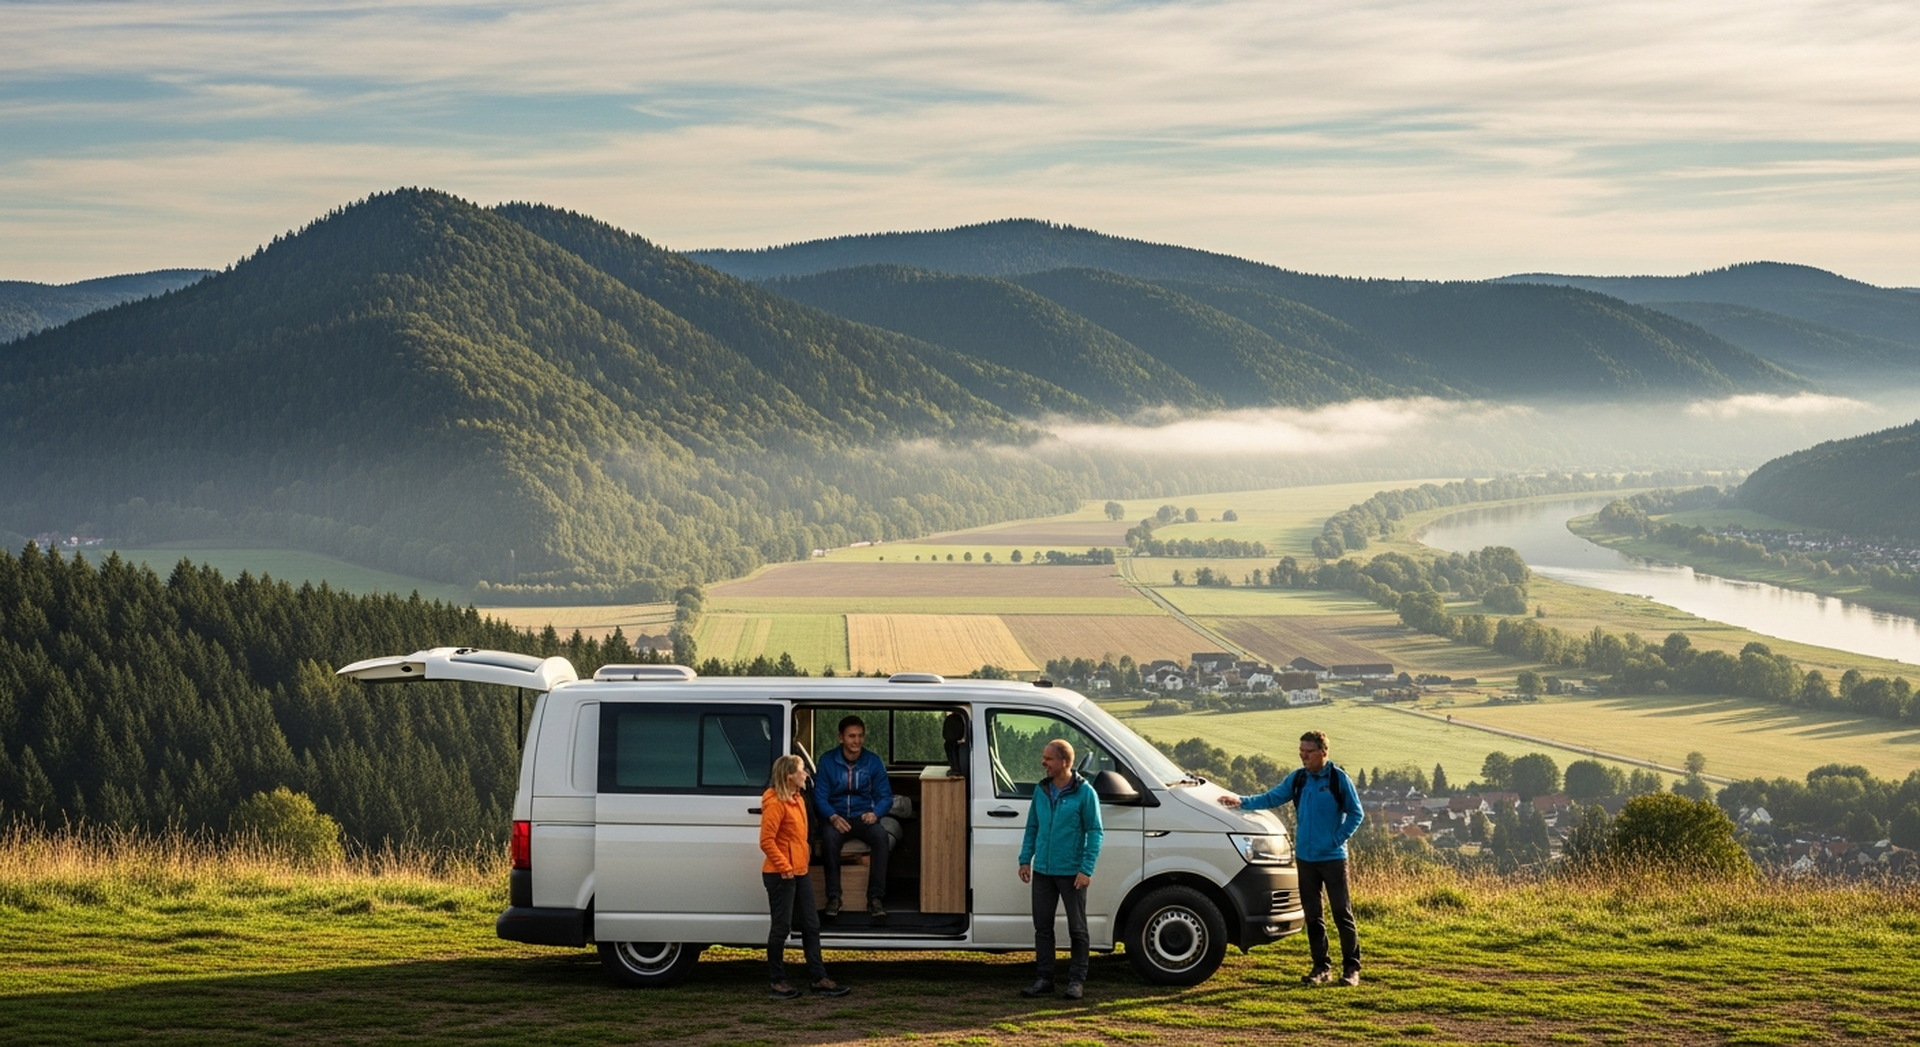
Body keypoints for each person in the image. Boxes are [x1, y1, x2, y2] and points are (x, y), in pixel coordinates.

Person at [1219, 729, 1365, 986]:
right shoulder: (1298, 779)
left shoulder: (1338, 779)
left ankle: (1351, 970)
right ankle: (1321, 968)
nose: (1303, 757)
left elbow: (1356, 813)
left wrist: (1336, 839)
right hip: (1306, 859)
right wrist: (1240, 801)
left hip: (1332, 858)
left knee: (1342, 913)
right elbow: (1271, 798)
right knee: (1313, 915)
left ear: (1323, 752)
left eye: (1308, 752)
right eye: (1301, 752)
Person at [1018, 738, 1104, 1001]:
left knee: (1077, 928)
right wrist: (1025, 859)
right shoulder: (1041, 790)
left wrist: (1086, 869)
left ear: (1065, 762)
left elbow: (1095, 832)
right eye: (1044, 758)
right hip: (1043, 870)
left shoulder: (1085, 793)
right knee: (1042, 928)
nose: (1043, 763)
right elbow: (1032, 826)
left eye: (1049, 759)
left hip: (1072, 873)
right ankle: (1044, 980)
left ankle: (1076, 981)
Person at [760, 754, 849, 998]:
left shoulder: (798, 798)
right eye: (802, 771)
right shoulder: (776, 802)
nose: (806, 775)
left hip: (800, 872)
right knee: (780, 929)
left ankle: (819, 978)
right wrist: (785, 867)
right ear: (790, 776)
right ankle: (777, 981)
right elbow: (766, 842)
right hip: (781, 875)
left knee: (811, 925)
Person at [814, 715, 894, 917]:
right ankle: (834, 898)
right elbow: (820, 798)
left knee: (880, 837)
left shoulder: (873, 761)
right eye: (851, 736)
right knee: (829, 839)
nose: (856, 741)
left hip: (863, 817)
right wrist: (832, 817)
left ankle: (875, 899)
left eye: (860, 736)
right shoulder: (827, 761)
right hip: (836, 818)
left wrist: (875, 814)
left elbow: (886, 796)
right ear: (841, 737)